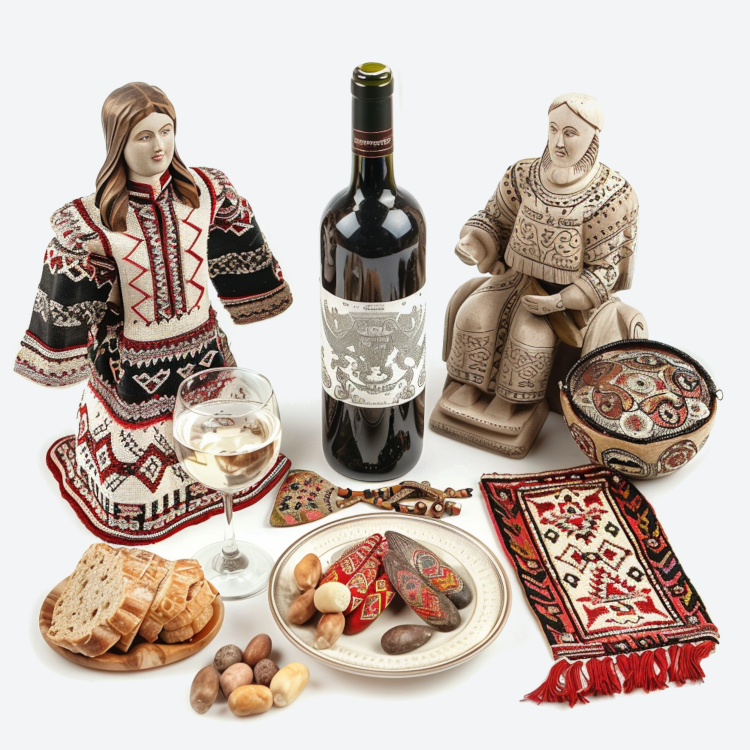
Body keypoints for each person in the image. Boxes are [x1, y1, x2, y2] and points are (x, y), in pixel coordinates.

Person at [14, 83, 292, 542]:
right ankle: (144, 498)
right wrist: (60, 352)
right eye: (144, 136)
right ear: (117, 142)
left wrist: (255, 294)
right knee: (134, 466)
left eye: (167, 131)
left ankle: (217, 483)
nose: (160, 145)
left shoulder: (206, 192)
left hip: (206, 353)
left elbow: (238, 241)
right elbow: (67, 296)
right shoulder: (92, 222)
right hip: (131, 366)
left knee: (224, 432)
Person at [430, 93, 640, 457]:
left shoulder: (611, 196)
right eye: (553, 129)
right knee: (475, 314)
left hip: (567, 300)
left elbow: (605, 270)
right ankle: (467, 386)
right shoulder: (523, 174)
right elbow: (494, 219)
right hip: (513, 279)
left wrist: (558, 301)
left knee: (529, 334)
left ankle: (513, 404)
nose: (558, 142)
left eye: (570, 133)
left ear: (593, 137)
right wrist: (473, 244)